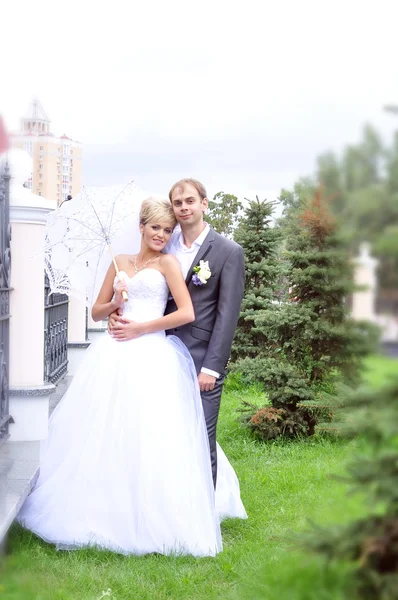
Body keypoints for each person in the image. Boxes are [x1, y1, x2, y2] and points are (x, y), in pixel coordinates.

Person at [17, 197, 246, 557]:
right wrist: (115, 303)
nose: (161, 234)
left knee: (152, 432)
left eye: (167, 230)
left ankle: (156, 515)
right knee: (107, 430)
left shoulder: (168, 263)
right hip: (113, 355)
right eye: (155, 227)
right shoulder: (120, 262)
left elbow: (185, 312)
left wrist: (142, 327)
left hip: (152, 353)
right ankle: (106, 510)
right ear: (141, 227)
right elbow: (95, 312)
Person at [109, 179, 245, 488]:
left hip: (200, 360)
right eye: (178, 203)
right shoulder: (165, 244)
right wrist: (117, 312)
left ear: (204, 204)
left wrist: (212, 367)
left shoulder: (227, 252)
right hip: (160, 353)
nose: (184, 207)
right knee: (164, 436)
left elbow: (227, 315)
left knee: (200, 438)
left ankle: (205, 517)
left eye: (190, 201)